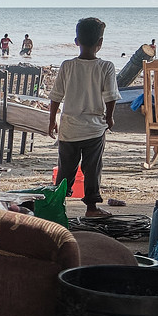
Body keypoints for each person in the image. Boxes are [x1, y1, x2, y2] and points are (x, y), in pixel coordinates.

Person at [47, 17, 122, 221]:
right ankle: (91, 207)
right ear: (100, 43)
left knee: (66, 168)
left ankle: (58, 205)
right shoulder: (106, 66)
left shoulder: (67, 66)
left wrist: (52, 120)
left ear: (76, 41)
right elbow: (111, 97)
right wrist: (109, 118)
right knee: (92, 168)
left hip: (69, 128)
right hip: (94, 129)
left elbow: (56, 96)